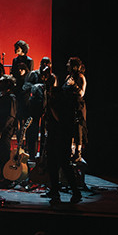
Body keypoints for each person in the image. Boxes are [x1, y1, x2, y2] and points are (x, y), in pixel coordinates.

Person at [43, 73, 82, 204]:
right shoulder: (54, 98)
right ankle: (55, 190)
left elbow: (60, 118)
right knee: (52, 164)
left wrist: (51, 104)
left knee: (64, 164)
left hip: (62, 136)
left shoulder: (61, 100)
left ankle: (76, 192)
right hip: (54, 135)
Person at [0, 75, 17, 187]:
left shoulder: (10, 98)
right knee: (0, 153)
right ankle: (3, 174)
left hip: (5, 130)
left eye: (0, 82)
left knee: (5, 154)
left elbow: (10, 116)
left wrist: (1, 129)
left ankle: (8, 178)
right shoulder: (1, 96)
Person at [64, 57, 88, 161]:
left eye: (69, 64)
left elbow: (82, 93)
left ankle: (78, 153)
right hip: (69, 106)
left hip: (77, 106)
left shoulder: (81, 77)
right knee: (69, 129)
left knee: (78, 129)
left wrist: (74, 85)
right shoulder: (68, 77)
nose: (67, 65)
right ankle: (70, 151)